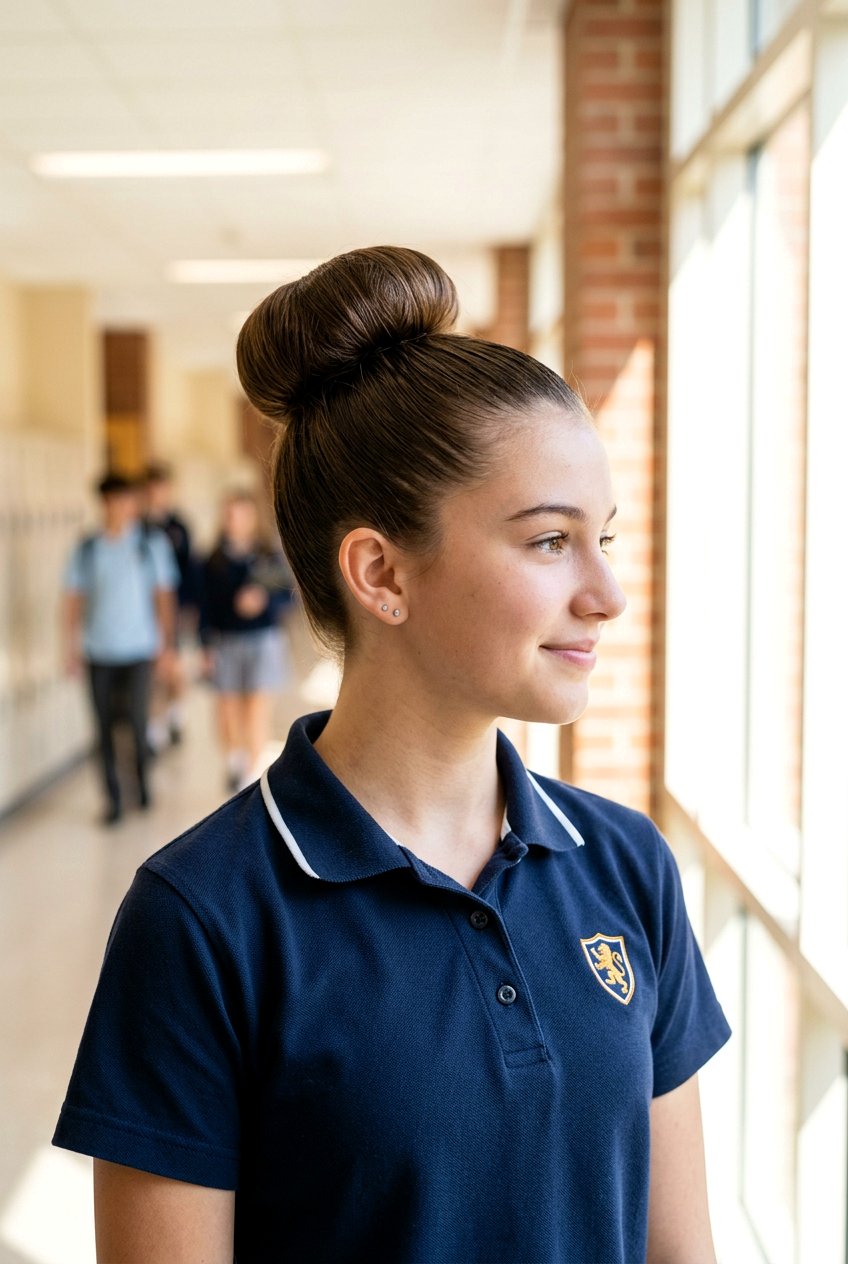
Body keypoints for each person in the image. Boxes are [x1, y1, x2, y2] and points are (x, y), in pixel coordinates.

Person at [54, 248, 730, 1263]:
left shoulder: (626, 868)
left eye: (605, 537)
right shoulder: (202, 918)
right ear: (379, 572)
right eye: (549, 541)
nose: (605, 592)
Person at [62, 473, 177, 825]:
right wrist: (69, 647)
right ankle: (112, 799)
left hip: (139, 649)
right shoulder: (87, 549)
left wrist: (166, 646)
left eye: (125, 500)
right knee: (103, 727)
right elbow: (72, 601)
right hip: (99, 651)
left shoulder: (149, 544)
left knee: (138, 723)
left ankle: (140, 785)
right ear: (104, 504)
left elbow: (163, 597)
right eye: (112, 501)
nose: (119, 507)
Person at [199, 489, 293, 792]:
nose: (235, 521)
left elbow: (287, 597)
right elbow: (204, 607)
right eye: (229, 514)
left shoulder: (267, 556)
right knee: (228, 709)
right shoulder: (213, 560)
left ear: (253, 518)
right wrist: (205, 645)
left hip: (263, 640)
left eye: (241, 514)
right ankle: (234, 758)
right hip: (226, 641)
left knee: (256, 708)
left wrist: (263, 601)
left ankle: (252, 773)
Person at [142, 461, 197, 749]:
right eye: (151, 489)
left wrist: (190, 609)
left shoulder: (179, 527)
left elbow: (190, 571)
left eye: (161, 489)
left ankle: (175, 714)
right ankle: (155, 724)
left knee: (174, 664)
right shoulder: (138, 526)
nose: (156, 494)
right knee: (153, 669)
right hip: (144, 611)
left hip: (175, 607)